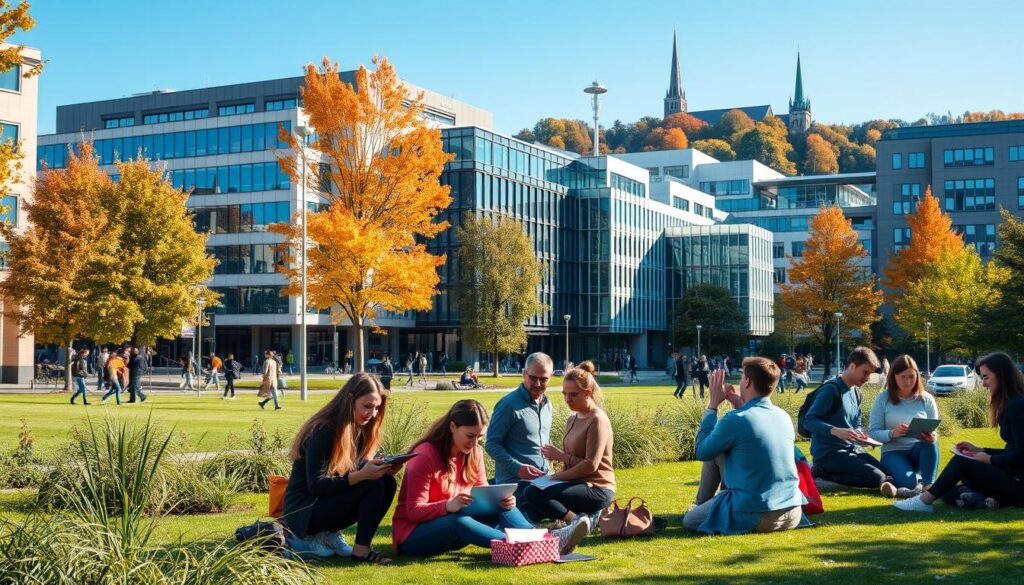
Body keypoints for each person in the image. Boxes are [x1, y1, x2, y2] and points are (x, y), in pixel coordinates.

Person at [393, 399, 589, 557]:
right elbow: (413, 512)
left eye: (479, 437)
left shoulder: (474, 452)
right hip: (413, 536)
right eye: (470, 435)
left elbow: (483, 492)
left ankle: (546, 539)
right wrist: (447, 506)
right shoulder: (425, 456)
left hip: (453, 531)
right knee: (458, 521)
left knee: (501, 505)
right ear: (453, 427)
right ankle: (533, 545)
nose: (474, 443)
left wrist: (500, 500)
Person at [282, 373, 397, 563]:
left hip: (323, 504)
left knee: (386, 482)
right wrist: (361, 476)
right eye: (367, 406)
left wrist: (380, 468)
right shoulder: (323, 431)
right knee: (372, 485)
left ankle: (329, 535)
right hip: (303, 512)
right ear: (350, 400)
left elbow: (352, 468)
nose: (373, 414)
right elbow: (316, 486)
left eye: (377, 408)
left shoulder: (357, 429)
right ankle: (354, 548)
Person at [683, 359, 806, 534]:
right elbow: (755, 434)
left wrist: (712, 406)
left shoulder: (736, 419)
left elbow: (702, 451)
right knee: (718, 448)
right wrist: (740, 405)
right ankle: (704, 506)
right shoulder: (783, 416)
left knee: (690, 520)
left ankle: (701, 507)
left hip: (756, 514)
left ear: (747, 381)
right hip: (792, 512)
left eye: (741, 378)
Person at [896, 352, 1024, 512]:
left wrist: (989, 459)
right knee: (946, 489)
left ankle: (923, 502)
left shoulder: (1017, 406)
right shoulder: (1012, 404)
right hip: (1012, 477)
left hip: (1018, 483)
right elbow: (1013, 449)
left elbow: (1021, 455)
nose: (983, 384)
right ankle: (983, 500)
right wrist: (980, 450)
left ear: (1001, 376)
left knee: (961, 462)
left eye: (986, 377)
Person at [526, 361, 615, 531]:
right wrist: (552, 474)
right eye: (565, 394)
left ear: (588, 393)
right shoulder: (572, 419)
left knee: (535, 493)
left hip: (597, 488)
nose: (568, 399)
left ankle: (578, 522)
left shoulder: (597, 419)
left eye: (573, 395)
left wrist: (557, 474)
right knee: (529, 491)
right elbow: (570, 461)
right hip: (576, 484)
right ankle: (581, 519)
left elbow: (590, 465)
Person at [806, 347, 889, 490]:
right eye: (865, 372)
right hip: (827, 453)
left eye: (870, 373)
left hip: (850, 448)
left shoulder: (856, 393)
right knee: (877, 478)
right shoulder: (831, 389)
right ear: (852, 366)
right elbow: (809, 421)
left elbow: (855, 423)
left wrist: (860, 435)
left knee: (887, 473)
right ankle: (821, 472)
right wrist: (835, 430)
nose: (868, 378)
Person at [485, 352, 554, 522]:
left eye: (543, 379)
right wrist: (518, 468)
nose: (538, 384)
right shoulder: (508, 404)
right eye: (533, 378)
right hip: (515, 484)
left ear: (551, 377)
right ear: (524, 374)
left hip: (543, 480)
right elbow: (492, 444)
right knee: (540, 504)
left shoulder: (547, 404)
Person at [868, 355, 939, 498]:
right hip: (893, 452)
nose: (908, 381)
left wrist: (932, 436)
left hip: (919, 451)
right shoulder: (883, 398)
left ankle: (928, 486)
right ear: (894, 376)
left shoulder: (926, 399)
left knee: (931, 443)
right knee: (908, 483)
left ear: (917, 376)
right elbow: (873, 432)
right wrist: (892, 433)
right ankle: (902, 481)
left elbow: (934, 430)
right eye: (903, 377)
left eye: (911, 376)